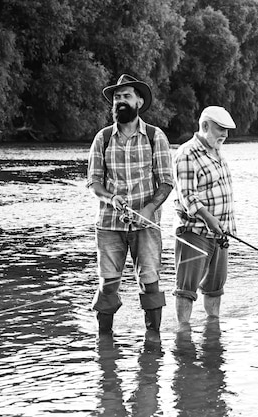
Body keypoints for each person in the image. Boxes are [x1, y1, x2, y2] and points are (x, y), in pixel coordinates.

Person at [86, 74, 174, 341]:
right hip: (109, 225)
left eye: (126, 96)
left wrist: (149, 209)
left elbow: (167, 182)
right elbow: (94, 182)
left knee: (150, 283)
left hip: (146, 225)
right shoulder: (102, 138)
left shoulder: (154, 136)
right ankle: (104, 342)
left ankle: (153, 339)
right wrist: (111, 198)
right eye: (116, 97)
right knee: (108, 283)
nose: (120, 101)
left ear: (139, 101)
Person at [172, 106, 237, 325]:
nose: (225, 135)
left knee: (215, 288)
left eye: (227, 130)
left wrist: (223, 226)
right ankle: (183, 335)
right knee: (186, 290)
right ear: (206, 126)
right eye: (221, 129)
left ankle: (213, 333)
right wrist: (209, 219)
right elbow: (188, 196)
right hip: (194, 233)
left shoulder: (216, 150)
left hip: (220, 235)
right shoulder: (186, 154)